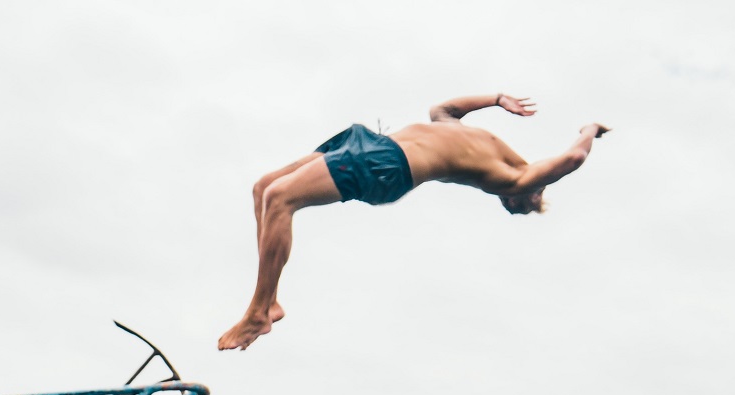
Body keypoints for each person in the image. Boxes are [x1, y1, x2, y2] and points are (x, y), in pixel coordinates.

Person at [218, 93, 611, 350]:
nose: (509, 201)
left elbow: (574, 158)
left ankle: (258, 312)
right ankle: (269, 302)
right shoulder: (483, 143)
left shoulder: (513, 178)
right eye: (516, 205)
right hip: (372, 143)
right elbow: (444, 111)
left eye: (511, 206)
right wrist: (495, 99)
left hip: (388, 166)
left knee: (280, 198)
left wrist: (588, 130)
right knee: (263, 187)